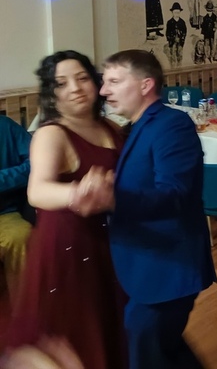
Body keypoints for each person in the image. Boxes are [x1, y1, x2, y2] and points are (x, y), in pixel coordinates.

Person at [97, 49, 216, 368]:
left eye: (114, 81)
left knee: (146, 349)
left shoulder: (171, 125)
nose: (104, 90)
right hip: (149, 265)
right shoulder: (139, 125)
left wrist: (113, 198)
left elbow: (174, 194)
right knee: (165, 351)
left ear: (146, 84)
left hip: (168, 267)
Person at [8, 51, 127, 369]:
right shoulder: (52, 134)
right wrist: (79, 193)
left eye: (82, 78)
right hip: (69, 247)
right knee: (77, 337)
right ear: (52, 94)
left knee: (111, 327)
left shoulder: (109, 127)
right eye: (61, 83)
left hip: (109, 243)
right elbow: (37, 191)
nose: (75, 88)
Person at [0, 115, 32, 303]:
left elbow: (37, 163)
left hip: (4, 214)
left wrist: (3, 179)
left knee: (22, 236)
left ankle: (24, 308)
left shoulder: (5, 126)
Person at [165, 2, 187, 68]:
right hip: (173, 41)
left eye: (178, 12)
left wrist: (182, 38)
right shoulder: (169, 22)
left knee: (180, 54)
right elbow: (167, 32)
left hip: (180, 41)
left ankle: (179, 66)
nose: (177, 14)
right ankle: (173, 66)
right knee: (173, 54)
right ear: (172, 13)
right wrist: (170, 39)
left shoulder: (182, 22)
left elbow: (184, 31)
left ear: (180, 13)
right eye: (175, 12)